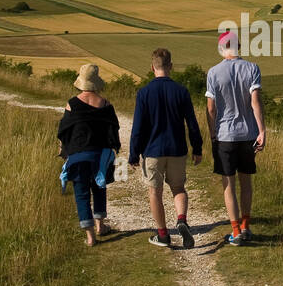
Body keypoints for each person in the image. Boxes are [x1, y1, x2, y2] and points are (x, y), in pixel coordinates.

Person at [128, 48, 203, 248]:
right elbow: (192, 123)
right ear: (170, 66)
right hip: (177, 149)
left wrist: (134, 154)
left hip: (153, 151)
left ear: (152, 67)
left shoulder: (143, 93)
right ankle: (181, 219)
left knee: (155, 192)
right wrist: (197, 148)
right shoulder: (181, 91)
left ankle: (163, 235)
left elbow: (137, 127)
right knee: (178, 188)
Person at [205, 30, 266, 245]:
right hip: (248, 134)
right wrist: (262, 131)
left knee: (228, 184)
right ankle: (246, 225)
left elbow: (211, 108)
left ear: (222, 48)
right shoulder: (252, 68)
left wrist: (212, 133)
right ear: (238, 47)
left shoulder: (213, 72)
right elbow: (255, 102)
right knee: (246, 181)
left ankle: (235, 230)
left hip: (224, 135)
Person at [57, 63, 120, 246]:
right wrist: (115, 149)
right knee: (99, 188)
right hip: (99, 156)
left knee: (81, 193)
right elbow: (113, 131)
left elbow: (65, 131)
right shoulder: (106, 105)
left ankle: (90, 237)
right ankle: (101, 225)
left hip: (78, 155)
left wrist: (63, 151)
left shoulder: (72, 104)